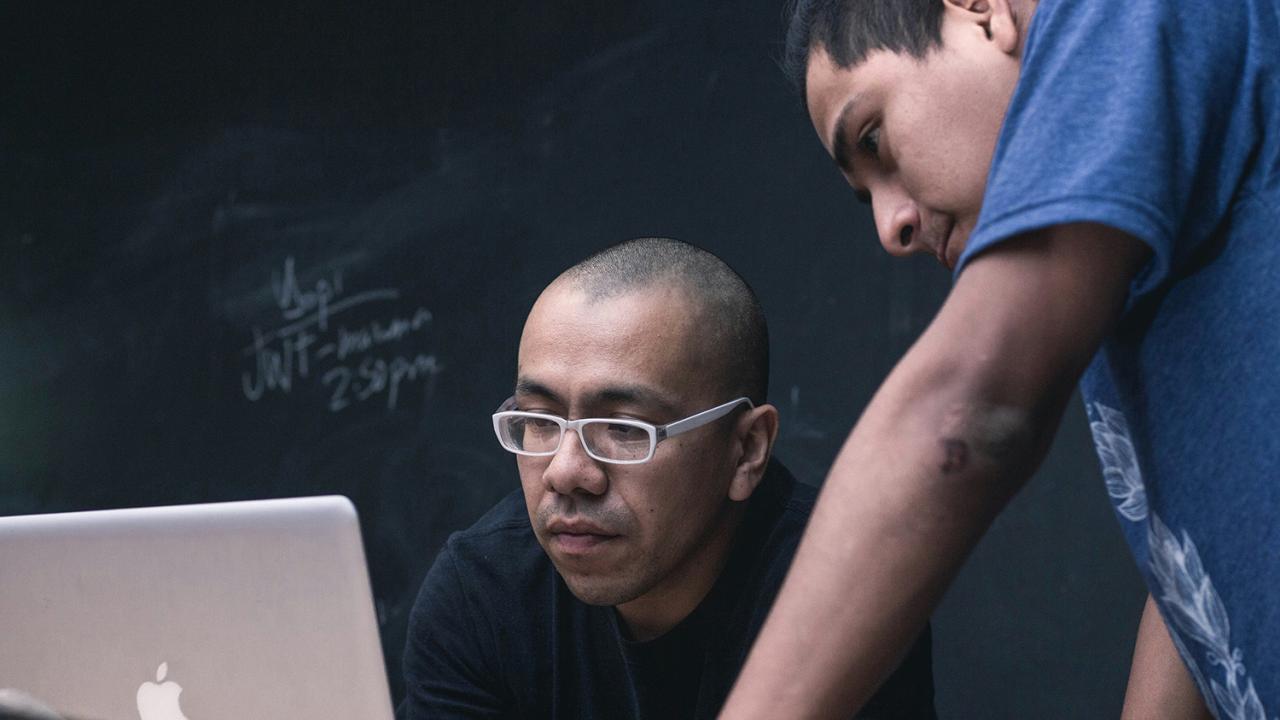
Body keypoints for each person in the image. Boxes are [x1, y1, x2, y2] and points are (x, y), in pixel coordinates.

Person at [719, 0, 1278, 718]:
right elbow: (1195, 567)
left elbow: (968, 413)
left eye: (875, 139)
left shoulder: (1116, 14)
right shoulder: (1117, 260)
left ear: (980, 10)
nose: (892, 227)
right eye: (867, 198)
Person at [400, 237, 936, 719]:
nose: (566, 472)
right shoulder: (483, 593)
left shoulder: (843, 589)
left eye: (623, 429)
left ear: (746, 450)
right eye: (539, 421)